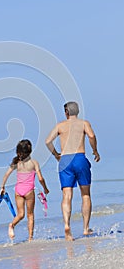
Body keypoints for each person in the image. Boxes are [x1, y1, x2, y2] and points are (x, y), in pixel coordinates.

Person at [45, 101, 100, 241]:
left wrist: (56, 155)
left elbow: (47, 141)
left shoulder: (60, 126)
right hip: (80, 158)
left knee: (66, 195)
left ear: (66, 112)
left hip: (65, 160)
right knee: (85, 194)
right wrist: (95, 151)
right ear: (78, 111)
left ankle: (66, 225)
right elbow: (92, 136)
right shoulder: (84, 123)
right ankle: (86, 228)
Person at [0, 139, 49, 242]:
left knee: (20, 214)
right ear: (30, 150)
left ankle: (12, 225)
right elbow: (40, 178)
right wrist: (45, 188)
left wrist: (2, 187)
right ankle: (30, 237)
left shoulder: (16, 163)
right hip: (29, 191)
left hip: (18, 190)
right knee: (30, 214)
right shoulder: (34, 163)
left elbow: (6, 175)